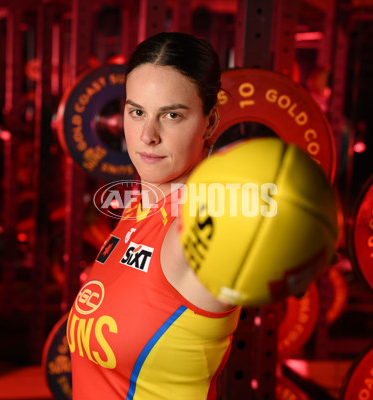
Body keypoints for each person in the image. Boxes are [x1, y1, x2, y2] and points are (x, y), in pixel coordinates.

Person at [66, 32, 240, 399]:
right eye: (137, 112)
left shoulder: (198, 231)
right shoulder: (140, 205)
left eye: (172, 115)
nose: (147, 136)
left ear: (209, 123)